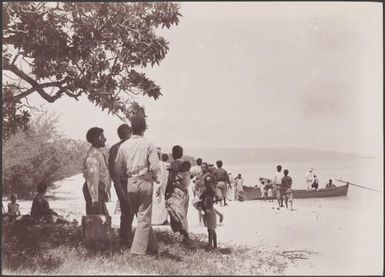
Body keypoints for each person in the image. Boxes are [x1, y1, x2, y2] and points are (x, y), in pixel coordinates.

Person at [115, 116, 159, 256]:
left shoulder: (124, 146)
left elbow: (118, 168)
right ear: (144, 128)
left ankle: (153, 248)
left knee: (133, 215)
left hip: (130, 182)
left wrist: (126, 175)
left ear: (131, 128)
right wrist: (154, 176)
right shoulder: (148, 144)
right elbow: (155, 166)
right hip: (145, 181)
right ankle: (137, 252)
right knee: (144, 217)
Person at [108, 124, 131, 245]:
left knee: (126, 211)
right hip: (126, 183)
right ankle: (126, 238)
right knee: (129, 211)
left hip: (122, 183)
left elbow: (112, 170)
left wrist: (117, 185)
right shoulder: (128, 147)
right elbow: (113, 170)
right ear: (129, 133)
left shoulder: (115, 148)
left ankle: (126, 237)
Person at [83, 127, 111, 223]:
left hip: (98, 190)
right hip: (94, 190)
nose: (105, 139)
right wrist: (94, 199)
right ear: (96, 139)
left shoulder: (97, 152)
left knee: (101, 221)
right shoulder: (93, 155)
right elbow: (93, 177)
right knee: (96, 222)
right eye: (102, 136)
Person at [165, 145, 191, 243]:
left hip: (175, 191)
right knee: (183, 213)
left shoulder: (174, 165)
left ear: (173, 154)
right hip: (185, 192)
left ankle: (181, 235)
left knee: (175, 214)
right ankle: (183, 235)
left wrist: (165, 192)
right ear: (182, 153)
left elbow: (170, 180)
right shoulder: (186, 165)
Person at [200, 174, 218, 250]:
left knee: (210, 230)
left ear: (212, 183)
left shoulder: (209, 190)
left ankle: (210, 245)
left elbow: (205, 199)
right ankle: (214, 246)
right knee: (211, 229)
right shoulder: (208, 190)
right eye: (206, 182)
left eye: (209, 182)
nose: (208, 183)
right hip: (209, 211)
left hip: (209, 211)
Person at [152, 153, 169, 225]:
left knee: (158, 202)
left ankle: (159, 220)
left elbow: (161, 176)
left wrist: (159, 185)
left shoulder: (159, 164)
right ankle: (162, 219)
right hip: (161, 185)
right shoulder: (163, 164)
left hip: (158, 185)